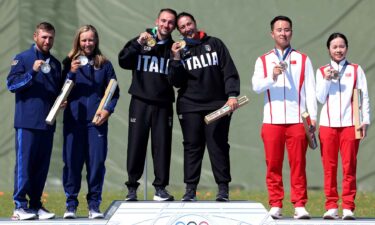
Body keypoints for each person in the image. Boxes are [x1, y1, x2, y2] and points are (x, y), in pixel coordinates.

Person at [169, 12, 240, 202]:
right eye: (182, 27)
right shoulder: (178, 51)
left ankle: (223, 190)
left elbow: (229, 70)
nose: (187, 29)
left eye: (189, 24)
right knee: (192, 146)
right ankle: (190, 190)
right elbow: (175, 81)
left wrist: (232, 95)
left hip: (217, 105)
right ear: (179, 31)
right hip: (189, 105)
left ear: (195, 23)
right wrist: (175, 59)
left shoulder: (215, 44)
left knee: (218, 144)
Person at [251, 15, 317, 219]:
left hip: (297, 121)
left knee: (298, 164)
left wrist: (312, 118)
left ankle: (299, 205)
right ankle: (276, 204)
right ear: (272, 34)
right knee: (273, 164)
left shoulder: (303, 59)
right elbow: (256, 87)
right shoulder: (263, 60)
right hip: (272, 121)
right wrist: (272, 76)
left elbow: (311, 91)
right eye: (279, 30)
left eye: (287, 29)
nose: (283, 33)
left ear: (291, 32)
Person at [118, 8, 177, 201]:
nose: (166, 25)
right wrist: (137, 44)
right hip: (140, 101)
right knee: (136, 145)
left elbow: (177, 79)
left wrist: (176, 59)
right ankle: (132, 188)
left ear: (173, 26)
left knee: (162, 147)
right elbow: (123, 61)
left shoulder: (174, 48)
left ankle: (160, 188)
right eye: (163, 21)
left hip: (163, 104)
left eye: (170, 22)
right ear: (157, 21)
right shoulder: (141, 40)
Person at [61, 25, 119, 219]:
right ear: (78, 41)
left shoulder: (105, 64)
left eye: (90, 40)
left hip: (96, 123)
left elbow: (113, 92)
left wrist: (107, 110)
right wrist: (70, 72)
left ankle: (94, 205)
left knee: (96, 163)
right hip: (73, 122)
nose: (87, 43)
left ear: (96, 41)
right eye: (84, 40)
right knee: (72, 163)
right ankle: (70, 205)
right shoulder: (68, 62)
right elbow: (60, 91)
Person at [6, 22, 61, 220]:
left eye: (51, 38)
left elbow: (56, 91)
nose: (47, 41)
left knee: (41, 167)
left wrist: (59, 102)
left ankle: (36, 205)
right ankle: (19, 206)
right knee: (24, 166)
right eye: (44, 37)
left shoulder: (55, 63)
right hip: (27, 122)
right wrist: (32, 72)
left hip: (47, 124)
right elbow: (12, 85)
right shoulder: (22, 58)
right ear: (35, 36)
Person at [316, 32, 370, 220]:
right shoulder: (322, 71)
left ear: (346, 48)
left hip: (350, 124)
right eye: (334, 47)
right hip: (327, 125)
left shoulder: (356, 70)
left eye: (342, 46)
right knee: (329, 167)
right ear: (329, 49)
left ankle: (348, 207)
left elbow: (364, 97)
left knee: (349, 166)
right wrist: (326, 79)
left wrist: (365, 120)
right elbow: (320, 98)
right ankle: (331, 206)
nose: (338, 50)